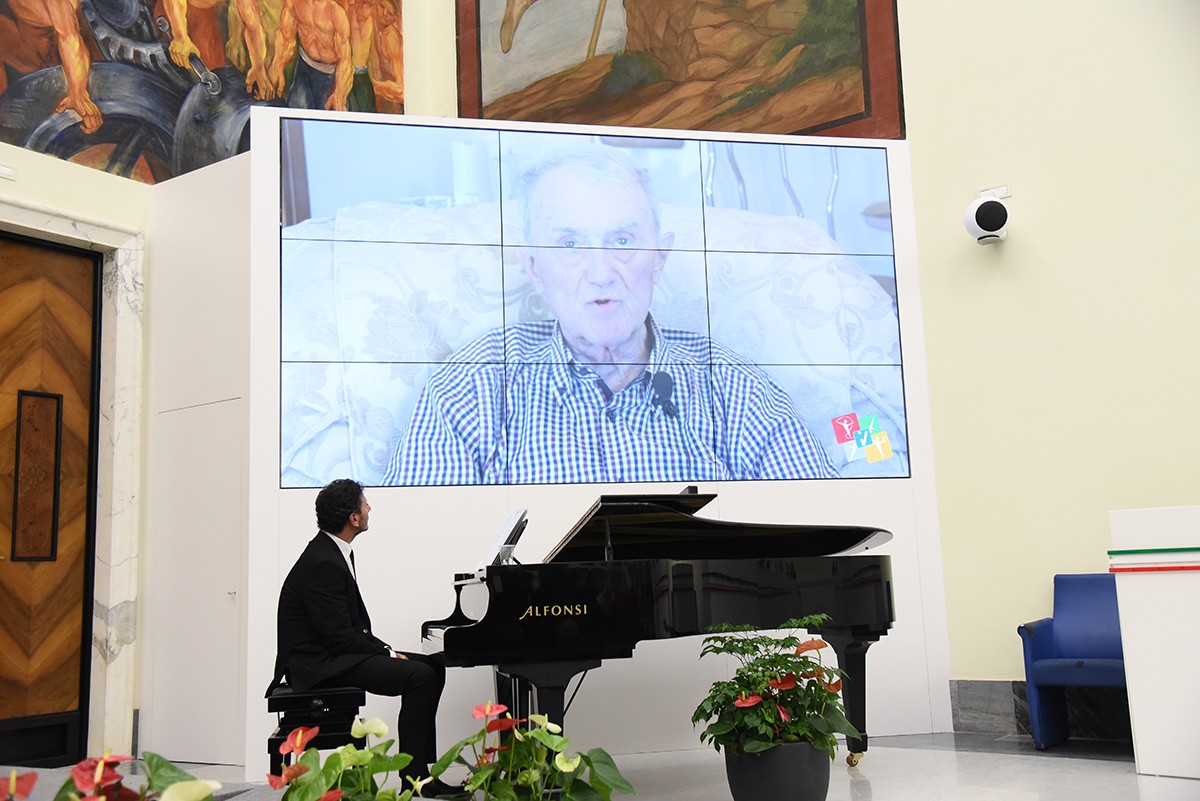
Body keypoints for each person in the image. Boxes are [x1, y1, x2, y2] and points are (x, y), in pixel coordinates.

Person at [382, 146, 837, 486]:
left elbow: (827, 533)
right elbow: (414, 556)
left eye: (622, 241)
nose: (601, 274)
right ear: (534, 267)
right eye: (570, 245)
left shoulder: (735, 388)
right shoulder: (471, 387)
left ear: (659, 258)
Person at [266, 479, 458, 796]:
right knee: (420, 676)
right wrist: (387, 654)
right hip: (319, 665)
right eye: (365, 504)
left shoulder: (331, 551)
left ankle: (421, 772)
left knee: (434, 667)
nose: (370, 508)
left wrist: (385, 650)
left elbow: (347, 631)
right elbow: (340, 639)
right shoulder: (323, 562)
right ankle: (415, 778)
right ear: (353, 518)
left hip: (332, 653)